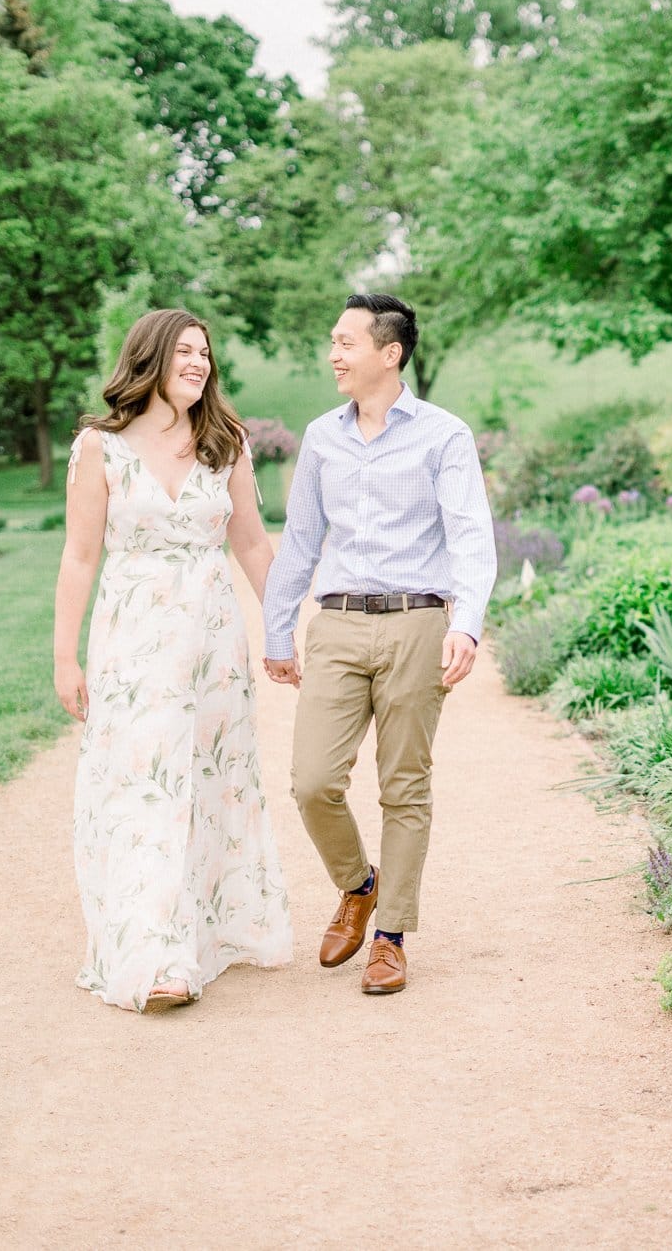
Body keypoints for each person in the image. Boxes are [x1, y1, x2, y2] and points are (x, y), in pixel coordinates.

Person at [53, 308, 292, 1012]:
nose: (198, 363)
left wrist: (279, 631)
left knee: (211, 780)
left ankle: (207, 929)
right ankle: (154, 956)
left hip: (213, 643)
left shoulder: (226, 444)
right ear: (149, 357)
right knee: (145, 788)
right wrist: (64, 657)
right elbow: (79, 556)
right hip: (133, 643)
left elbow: (251, 544)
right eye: (185, 351)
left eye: (206, 353)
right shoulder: (100, 448)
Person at [262, 293, 495, 996]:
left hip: (417, 621)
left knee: (405, 785)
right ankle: (358, 883)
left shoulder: (443, 435)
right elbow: (300, 539)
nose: (334, 354)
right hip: (335, 623)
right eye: (332, 341)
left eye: (345, 342)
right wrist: (278, 629)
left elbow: (471, 535)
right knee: (311, 781)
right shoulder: (321, 437)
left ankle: (391, 935)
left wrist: (467, 621)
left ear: (388, 353)